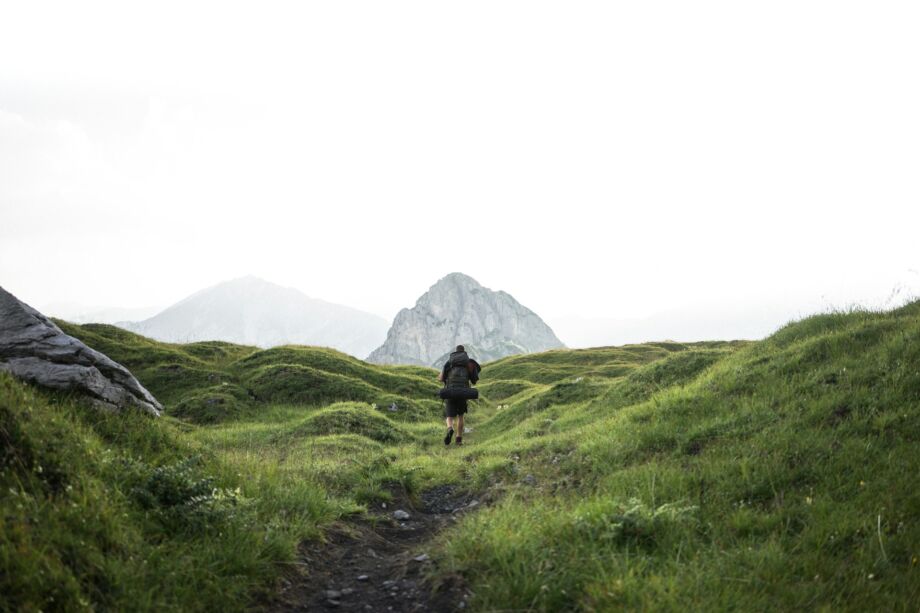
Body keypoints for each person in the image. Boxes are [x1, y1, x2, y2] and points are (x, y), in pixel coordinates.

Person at [437, 344, 480, 446]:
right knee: (460, 416)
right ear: (464, 352)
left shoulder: (449, 363)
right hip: (463, 393)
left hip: (450, 392)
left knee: (449, 416)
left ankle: (450, 428)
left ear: (456, 352)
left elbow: (441, 378)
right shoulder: (469, 363)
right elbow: (474, 381)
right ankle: (458, 440)